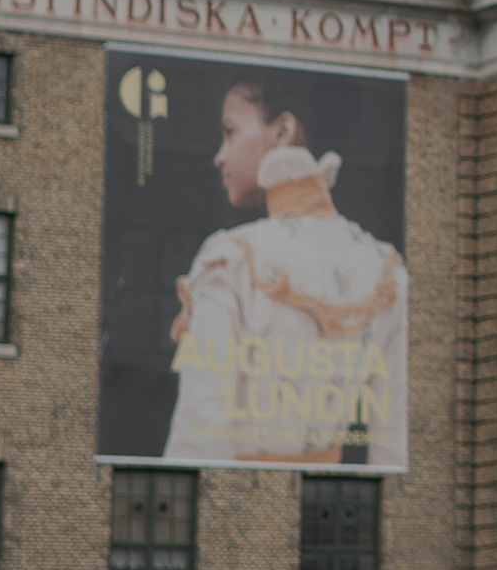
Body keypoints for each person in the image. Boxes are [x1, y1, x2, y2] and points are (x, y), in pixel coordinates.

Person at [164, 75, 407, 468]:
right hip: (334, 512)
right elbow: (392, 447)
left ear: (282, 130)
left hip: (238, 508)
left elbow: (198, 434)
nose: (219, 156)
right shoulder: (387, 269)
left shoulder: (229, 260)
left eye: (230, 132)